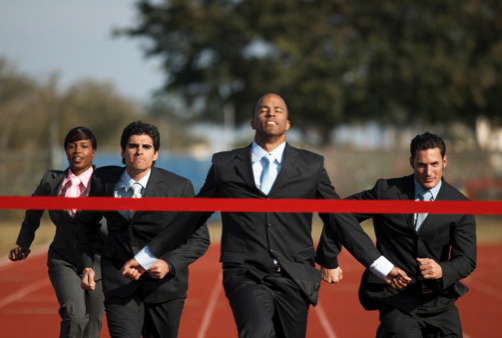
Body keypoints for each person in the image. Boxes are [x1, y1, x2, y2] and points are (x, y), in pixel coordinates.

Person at [121, 93, 410, 338]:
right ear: (252, 121)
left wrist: (381, 266)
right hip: (246, 273)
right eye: (263, 109)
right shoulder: (225, 164)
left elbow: (340, 219)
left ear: (287, 123)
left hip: (295, 276)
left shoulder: (311, 165)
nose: (270, 113)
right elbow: (191, 217)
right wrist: (147, 256)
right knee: (257, 331)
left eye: (278, 110)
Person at [77, 121, 210, 338]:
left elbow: (199, 238)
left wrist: (168, 264)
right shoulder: (102, 182)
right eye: (133, 146)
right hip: (119, 283)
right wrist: (86, 265)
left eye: (146, 147)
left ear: (155, 154)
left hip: (164, 287)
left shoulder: (179, 187)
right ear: (122, 151)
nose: (139, 151)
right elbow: (86, 224)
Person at [339, 132, 476, 337]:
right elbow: (338, 213)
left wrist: (442, 269)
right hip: (397, 300)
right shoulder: (386, 191)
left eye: (434, 164)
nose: (428, 172)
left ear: (444, 162)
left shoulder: (460, 205)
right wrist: (330, 258)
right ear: (411, 162)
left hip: (439, 303)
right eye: (421, 165)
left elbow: (467, 259)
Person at [8, 126, 105, 338]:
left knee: (92, 328)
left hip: (99, 261)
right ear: (66, 151)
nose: (77, 151)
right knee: (75, 316)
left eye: (84, 146)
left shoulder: (106, 182)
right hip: (63, 259)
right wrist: (24, 242)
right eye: (71, 146)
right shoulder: (50, 180)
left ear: (94, 152)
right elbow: (34, 210)